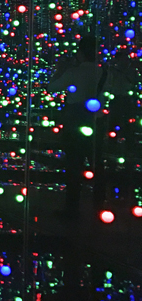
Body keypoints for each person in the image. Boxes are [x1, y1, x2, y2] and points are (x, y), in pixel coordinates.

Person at [46, 35, 106, 217]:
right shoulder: (104, 72)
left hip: (75, 121)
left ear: (80, 53)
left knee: (74, 164)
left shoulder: (74, 72)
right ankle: (99, 204)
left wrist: (60, 70)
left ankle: (72, 208)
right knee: (96, 162)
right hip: (96, 121)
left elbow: (51, 88)